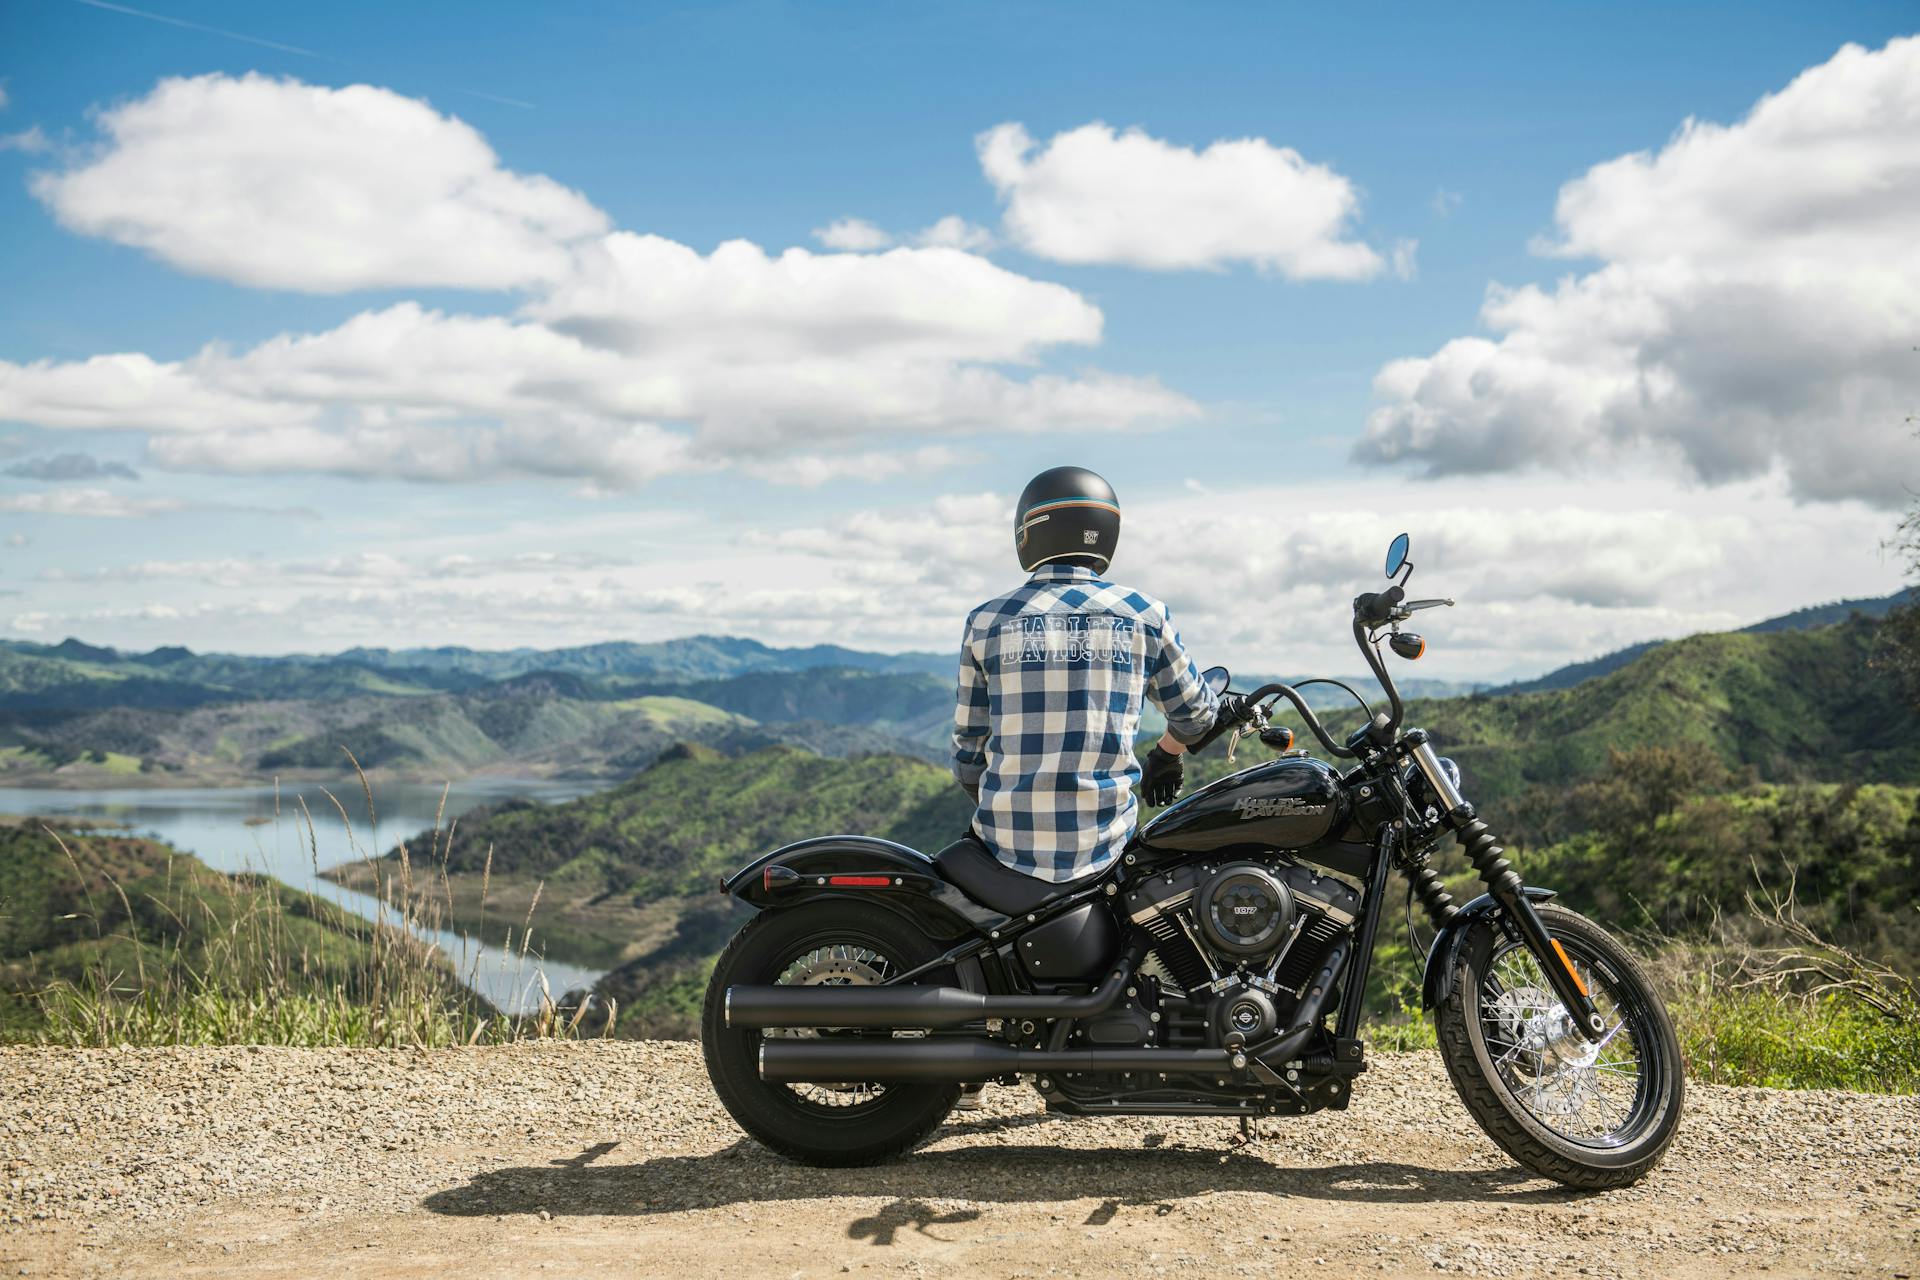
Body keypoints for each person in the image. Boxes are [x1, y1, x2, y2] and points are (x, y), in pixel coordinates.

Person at [950, 465, 1236, 885]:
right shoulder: (1145, 615)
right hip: (1109, 849)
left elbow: (969, 752)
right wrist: (1165, 754)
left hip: (1004, 849)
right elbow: (1196, 717)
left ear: (1029, 530)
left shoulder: (988, 621)